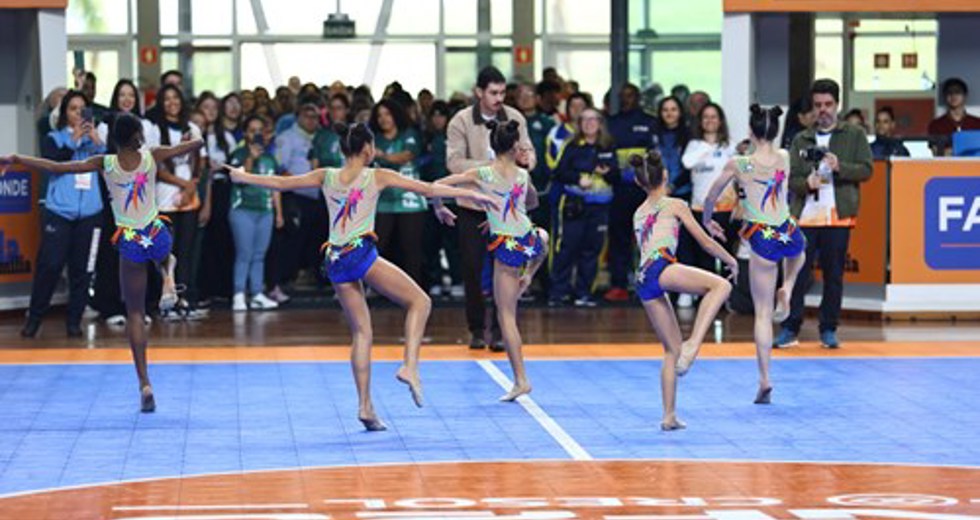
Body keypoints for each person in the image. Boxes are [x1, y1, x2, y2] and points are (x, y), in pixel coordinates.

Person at [227, 122, 496, 431]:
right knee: (420, 302)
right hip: (359, 252)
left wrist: (242, 175)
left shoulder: (326, 175)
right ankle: (410, 366)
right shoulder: (376, 175)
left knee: (362, 333)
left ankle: (365, 407)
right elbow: (428, 188)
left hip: (335, 258)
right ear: (368, 149)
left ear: (343, 149)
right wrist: (478, 198)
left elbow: (280, 183)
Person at [3, 113, 202, 411]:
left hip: (130, 240)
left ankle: (145, 383)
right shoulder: (152, 155)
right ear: (138, 136)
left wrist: (17, 157)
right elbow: (194, 145)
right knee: (166, 252)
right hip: (155, 231)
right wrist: (193, 138)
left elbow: (57, 167)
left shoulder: (104, 163)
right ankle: (169, 276)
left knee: (134, 313)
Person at [434, 120, 549, 401]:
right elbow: (532, 203)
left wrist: (439, 207)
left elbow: (437, 185)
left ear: (491, 146)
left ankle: (521, 380)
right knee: (543, 238)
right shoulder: (523, 176)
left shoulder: (482, 173)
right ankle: (530, 274)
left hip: (506, 247)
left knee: (506, 316)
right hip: (527, 239)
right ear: (515, 147)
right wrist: (504, 213)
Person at [702, 104, 806, 404]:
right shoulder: (784, 158)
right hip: (786, 229)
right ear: (775, 130)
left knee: (763, 314)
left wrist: (709, 220)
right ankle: (787, 286)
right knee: (799, 251)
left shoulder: (740, 163)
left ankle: (764, 379)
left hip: (761, 235)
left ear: (750, 131)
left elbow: (711, 196)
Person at [627, 150, 735, 429]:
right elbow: (706, 243)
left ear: (639, 184)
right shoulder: (675, 204)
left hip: (643, 277)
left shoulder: (638, 213)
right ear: (665, 175)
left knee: (669, 351)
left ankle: (668, 416)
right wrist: (730, 259)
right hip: (660, 265)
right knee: (720, 285)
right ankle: (694, 343)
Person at [777, 79, 873, 350]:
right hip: (805, 216)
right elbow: (791, 178)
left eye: (828, 104)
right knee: (797, 274)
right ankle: (790, 327)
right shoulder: (800, 138)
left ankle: (828, 328)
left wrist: (840, 166)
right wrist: (805, 184)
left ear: (837, 104)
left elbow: (867, 170)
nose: (823, 110)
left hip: (837, 216)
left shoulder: (853, 135)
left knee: (834, 274)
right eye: (818, 105)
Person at [446, 66, 535, 351]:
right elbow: (454, 163)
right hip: (472, 205)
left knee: (506, 269)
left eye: (502, 92)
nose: (499, 98)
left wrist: (524, 160)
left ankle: (500, 330)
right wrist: (493, 168)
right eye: (493, 92)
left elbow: (529, 153)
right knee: (472, 269)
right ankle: (475, 328)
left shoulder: (514, 117)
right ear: (479, 92)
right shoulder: (460, 121)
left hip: (506, 209)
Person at [18, 90, 106, 338]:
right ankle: (34, 319)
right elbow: (55, 161)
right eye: (73, 109)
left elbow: (113, 165)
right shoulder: (53, 138)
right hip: (60, 213)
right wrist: (73, 140)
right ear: (64, 114)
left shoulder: (97, 143)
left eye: (82, 109)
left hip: (91, 215)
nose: (79, 113)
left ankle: (74, 322)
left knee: (83, 270)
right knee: (50, 266)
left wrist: (98, 141)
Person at [92, 80, 161, 325]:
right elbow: (102, 162)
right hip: (113, 197)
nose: (127, 99)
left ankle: (143, 306)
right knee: (112, 254)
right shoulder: (104, 126)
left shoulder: (149, 126)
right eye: (122, 94)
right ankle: (111, 307)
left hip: (141, 197)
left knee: (142, 252)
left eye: (131, 95)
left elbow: (152, 161)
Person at [549, 107, 617, 307]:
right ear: (579, 124)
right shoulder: (571, 146)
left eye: (593, 119)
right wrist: (579, 176)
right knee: (567, 248)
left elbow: (617, 176)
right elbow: (559, 172)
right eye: (585, 120)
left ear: (600, 123)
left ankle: (584, 293)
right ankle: (558, 292)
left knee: (592, 250)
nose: (589, 124)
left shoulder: (608, 146)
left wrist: (606, 172)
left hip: (600, 207)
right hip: (574, 205)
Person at [151, 84, 209, 319]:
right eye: (166, 99)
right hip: (165, 197)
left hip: (189, 199)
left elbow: (201, 161)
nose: (172, 102)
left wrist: (192, 183)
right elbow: (155, 165)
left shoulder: (192, 127)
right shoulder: (155, 129)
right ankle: (166, 301)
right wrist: (182, 184)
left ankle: (183, 298)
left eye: (176, 97)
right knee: (167, 253)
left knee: (186, 252)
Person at [605, 83, 658, 302]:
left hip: (644, 190)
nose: (627, 99)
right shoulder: (610, 123)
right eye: (623, 96)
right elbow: (606, 153)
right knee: (618, 239)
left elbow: (656, 155)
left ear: (638, 98)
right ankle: (619, 284)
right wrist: (615, 175)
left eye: (631, 95)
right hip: (618, 190)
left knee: (648, 238)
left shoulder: (650, 122)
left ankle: (649, 282)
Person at [228, 116, 283, 311]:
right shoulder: (238, 154)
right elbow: (239, 179)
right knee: (244, 253)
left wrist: (279, 213)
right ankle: (239, 294)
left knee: (260, 254)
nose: (256, 134)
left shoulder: (270, 158)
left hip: (265, 211)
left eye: (259, 130)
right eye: (252, 130)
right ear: (245, 133)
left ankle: (257, 293)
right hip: (242, 209)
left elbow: (275, 185)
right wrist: (250, 157)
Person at [371, 99, 427, 287]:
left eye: (387, 114)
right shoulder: (375, 139)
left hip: (409, 199)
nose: (383, 119)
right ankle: (379, 287)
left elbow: (407, 156)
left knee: (412, 249)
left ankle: (415, 289)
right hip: (383, 201)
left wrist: (383, 156)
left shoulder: (409, 134)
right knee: (378, 246)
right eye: (379, 115)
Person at [682, 102, 739, 279]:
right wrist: (708, 148)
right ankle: (705, 295)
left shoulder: (730, 146)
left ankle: (728, 295)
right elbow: (687, 163)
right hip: (700, 208)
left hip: (726, 208)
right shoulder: (694, 145)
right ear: (700, 121)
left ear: (720, 121)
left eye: (713, 117)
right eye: (705, 117)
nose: (709, 120)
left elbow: (745, 171)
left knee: (726, 253)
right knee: (703, 254)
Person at [928, 77, 980, 155]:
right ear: (945, 96)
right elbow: (935, 152)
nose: (953, 95)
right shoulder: (936, 125)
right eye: (949, 92)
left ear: (965, 95)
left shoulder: (977, 123)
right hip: (946, 166)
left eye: (957, 92)